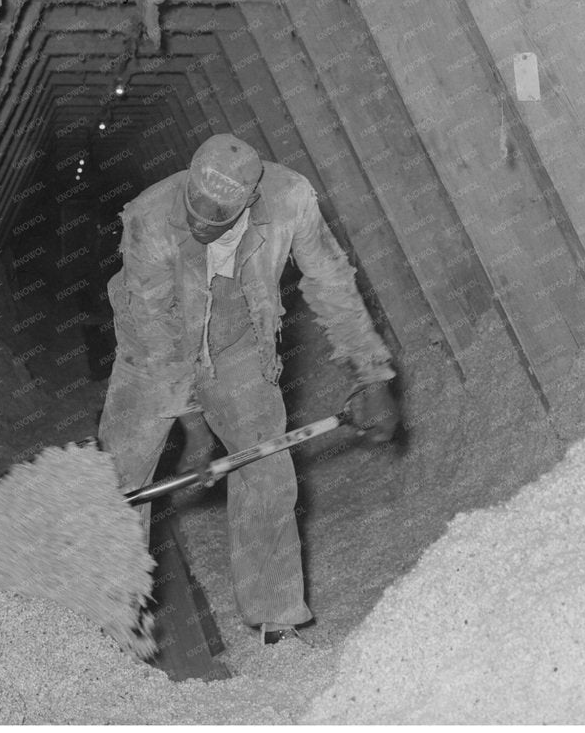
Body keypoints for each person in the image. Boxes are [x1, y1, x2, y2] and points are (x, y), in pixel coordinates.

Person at [99, 133, 400, 644]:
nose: (198, 223)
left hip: (240, 338)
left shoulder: (290, 199)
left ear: (249, 203)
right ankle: (105, 621)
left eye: (214, 219)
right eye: (193, 208)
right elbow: (160, 338)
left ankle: (275, 618)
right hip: (152, 348)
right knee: (122, 476)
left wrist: (372, 375)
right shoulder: (150, 217)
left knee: (268, 472)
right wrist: (194, 429)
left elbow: (330, 281)